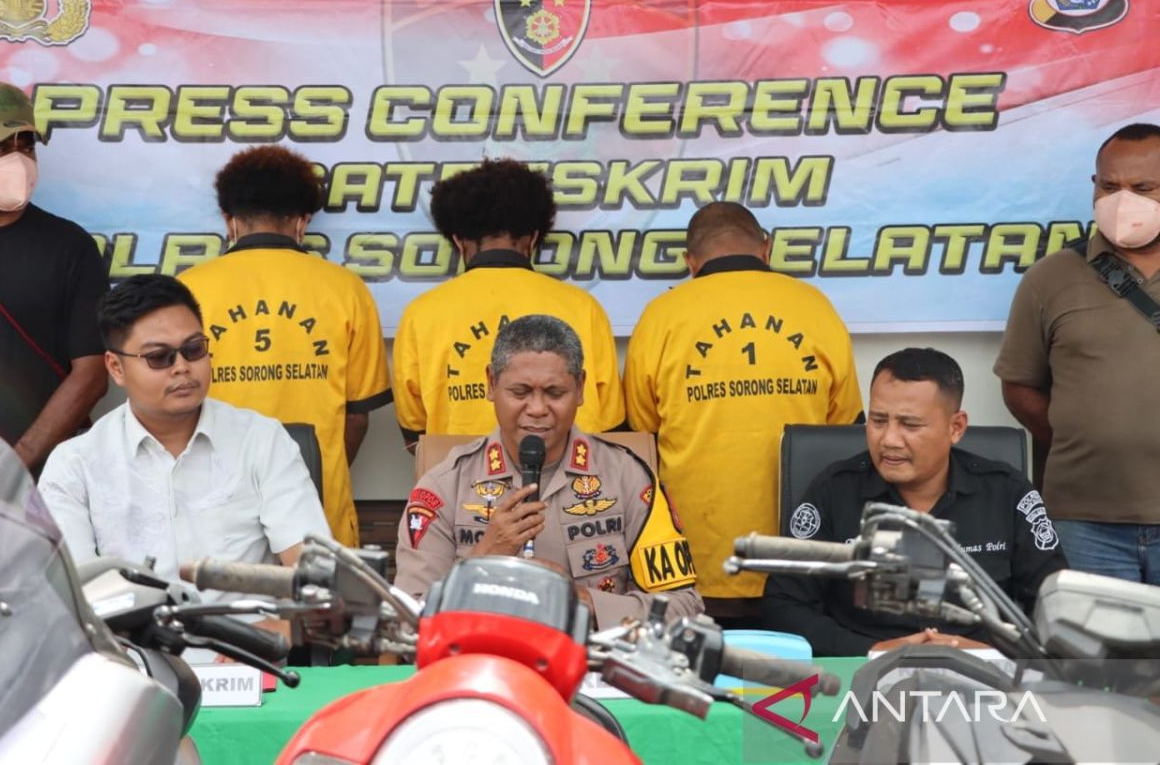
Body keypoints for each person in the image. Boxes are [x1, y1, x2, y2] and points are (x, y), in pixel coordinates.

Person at [39, 275, 331, 622]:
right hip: (133, 664)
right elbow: (73, 598)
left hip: (250, 660)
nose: (182, 367)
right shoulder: (75, 464)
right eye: (159, 357)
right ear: (116, 367)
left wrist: (281, 630)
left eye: (194, 349)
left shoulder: (261, 440)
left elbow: (316, 577)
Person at [623, 201, 862, 626]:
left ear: (690, 262)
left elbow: (642, 439)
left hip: (695, 568)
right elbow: (845, 433)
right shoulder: (816, 308)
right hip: (799, 562)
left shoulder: (660, 317)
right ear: (765, 249)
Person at [395, 314, 702, 628]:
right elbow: (406, 621)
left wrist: (585, 602)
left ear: (580, 388)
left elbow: (685, 608)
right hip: (484, 667)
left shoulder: (628, 477)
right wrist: (483, 561)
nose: (538, 409)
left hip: (590, 667)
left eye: (555, 393)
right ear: (491, 383)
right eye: (520, 392)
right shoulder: (444, 487)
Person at [762, 348, 1067, 655]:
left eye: (910, 425)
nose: (890, 440)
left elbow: (1057, 608)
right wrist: (874, 649)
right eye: (879, 420)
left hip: (984, 682)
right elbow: (783, 608)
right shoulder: (832, 492)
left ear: (956, 427)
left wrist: (987, 651)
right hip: (863, 678)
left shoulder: (1007, 494)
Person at [179, 145, 391, 547]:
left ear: (230, 220)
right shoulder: (346, 288)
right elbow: (357, 417)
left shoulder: (189, 288)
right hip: (317, 507)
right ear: (302, 221)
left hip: (211, 507)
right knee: (317, 608)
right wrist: (310, 474)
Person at [996, 123, 1160, 585]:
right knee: (1090, 658)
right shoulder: (1050, 278)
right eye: (1109, 186)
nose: (1122, 200)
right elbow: (1019, 385)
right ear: (1094, 186)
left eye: (1143, 188)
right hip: (1083, 523)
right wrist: (1080, 432)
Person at [392, 159, 624, 449]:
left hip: (461, 484)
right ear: (534, 239)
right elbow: (613, 426)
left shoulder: (421, 314)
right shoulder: (583, 307)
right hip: (572, 483)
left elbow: (414, 434)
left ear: (459, 242)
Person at [0, 79, 107, 471]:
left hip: (47, 473)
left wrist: (14, 464)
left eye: (26, 144)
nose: (17, 158)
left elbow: (92, 374)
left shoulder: (70, 245)